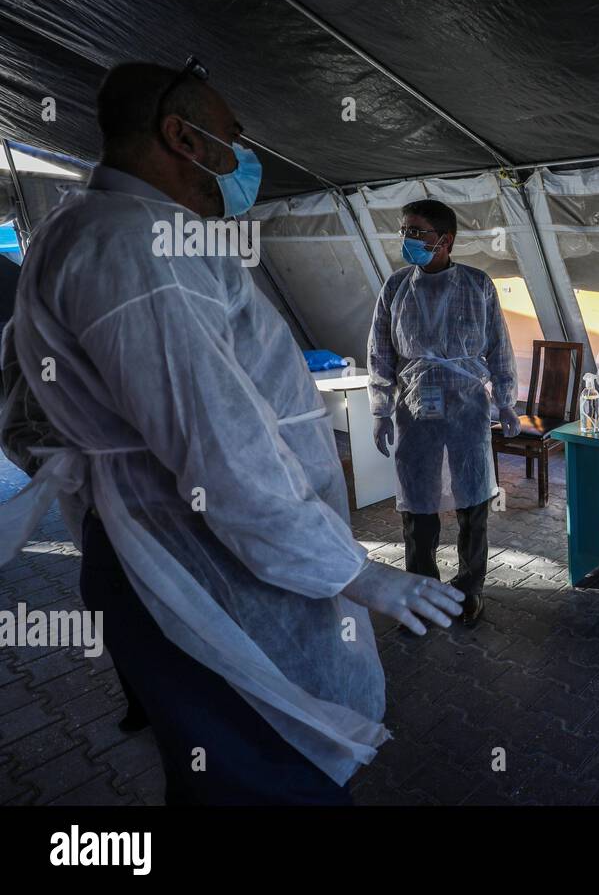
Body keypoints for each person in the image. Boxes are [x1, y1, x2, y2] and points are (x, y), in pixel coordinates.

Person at [0, 61, 464, 804]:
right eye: (235, 139)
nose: (245, 160)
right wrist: (350, 571)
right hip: (210, 562)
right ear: (182, 137)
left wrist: (106, 484)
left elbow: (24, 410)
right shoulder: (143, 247)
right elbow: (221, 449)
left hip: (147, 547)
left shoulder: (76, 230)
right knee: (270, 770)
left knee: (216, 764)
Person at [368, 199, 520, 628]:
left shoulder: (477, 284)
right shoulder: (396, 287)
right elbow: (380, 351)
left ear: (445, 240)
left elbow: (499, 346)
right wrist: (380, 408)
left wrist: (506, 400)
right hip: (415, 407)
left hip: (467, 405)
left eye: (416, 232)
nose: (406, 240)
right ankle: (422, 589)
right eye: (403, 231)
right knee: (417, 506)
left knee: (473, 501)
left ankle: (470, 590)